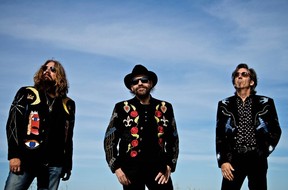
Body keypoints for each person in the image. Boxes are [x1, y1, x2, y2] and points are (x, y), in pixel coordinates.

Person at [104, 64, 179, 190]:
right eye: (135, 81)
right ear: (131, 87)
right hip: (130, 171)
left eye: (144, 80)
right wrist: (116, 168)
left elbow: (174, 139)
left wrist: (169, 165)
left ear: (150, 83)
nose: (140, 83)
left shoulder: (165, 107)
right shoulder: (121, 108)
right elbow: (109, 139)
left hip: (159, 171)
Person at [4, 60, 76, 190]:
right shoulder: (26, 93)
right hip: (26, 159)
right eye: (45, 68)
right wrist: (14, 155)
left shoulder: (68, 104)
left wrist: (67, 164)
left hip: (55, 162)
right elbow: (13, 124)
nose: (47, 71)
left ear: (60, 76)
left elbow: (68, 136)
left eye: (53, 69)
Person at [215, 63, 282, 190]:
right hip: (233, 159)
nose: (239, 76)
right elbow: (220, 135)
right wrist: (223, 161)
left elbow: (276, 130)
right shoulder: (224, 104)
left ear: (251, 81)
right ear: (234, 81)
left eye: (244, 74)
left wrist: (262, 152)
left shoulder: (266, 103)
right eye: (236, 75)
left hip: (257, 158)